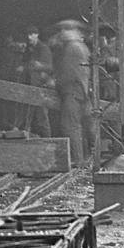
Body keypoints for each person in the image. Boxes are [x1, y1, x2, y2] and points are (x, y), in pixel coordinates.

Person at [51, 20, 92, 166]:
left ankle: (77, 160)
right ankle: (82, 157)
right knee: (78, 125)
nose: (61, 33)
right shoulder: (81, 47)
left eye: (64, 29)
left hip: (72, 91)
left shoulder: (72, 48)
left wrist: (54, 83)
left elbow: (68, 73)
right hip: (81, 90)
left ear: (73, 31)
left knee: (70, 125)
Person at [24, 26, 55, 138]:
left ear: (37, 35)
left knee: (42, 116)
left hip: (40, 86)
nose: (29, 37)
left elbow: (50, 68)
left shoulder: (43, 48)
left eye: (32, 34)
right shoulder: (30, 49)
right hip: (32, 85)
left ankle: (48, 140)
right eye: (28, 35)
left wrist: (36, 66)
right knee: (30, 116)